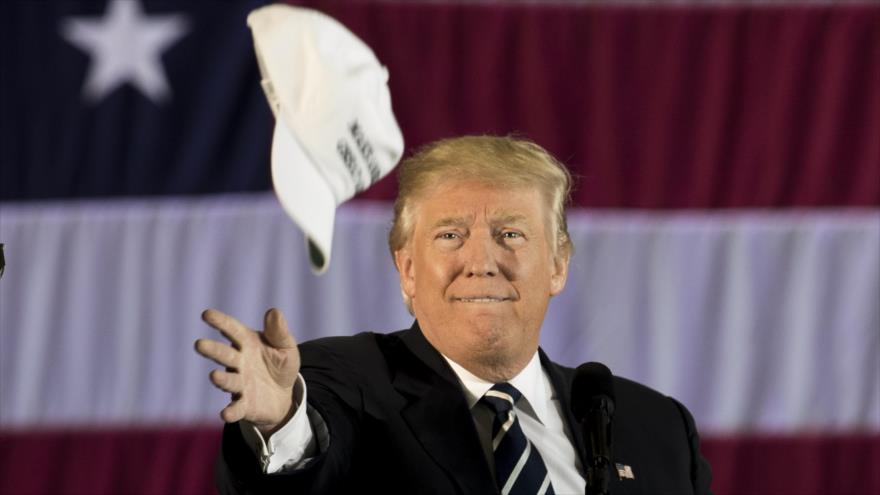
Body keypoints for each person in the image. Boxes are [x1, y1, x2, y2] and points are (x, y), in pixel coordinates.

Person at [195, 135, 713, 494]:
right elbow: (304, 476)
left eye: (510, 234)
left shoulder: (655, 426)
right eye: (450, 236)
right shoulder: (346, 382)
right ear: (408, 271)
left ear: (558, 265)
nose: (481, 262)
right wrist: (283, 422)